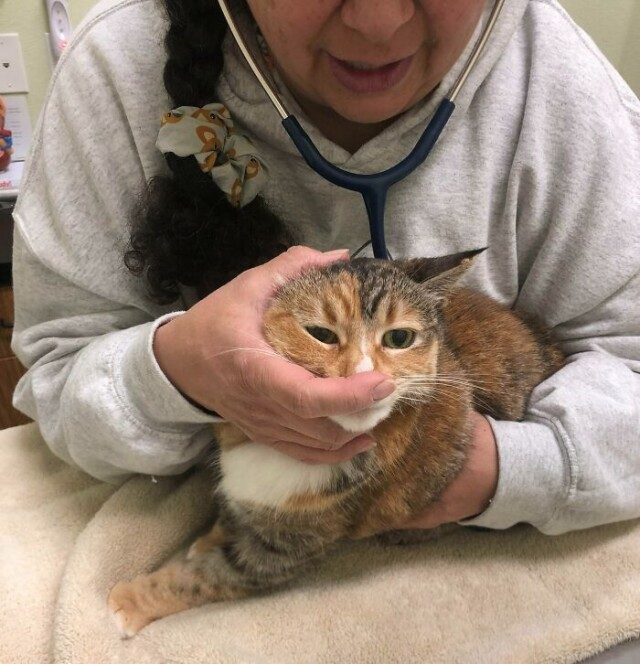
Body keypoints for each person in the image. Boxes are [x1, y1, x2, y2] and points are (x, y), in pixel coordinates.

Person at [10, 0, 640, 537]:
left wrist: (496, 469)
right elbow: (58, 383)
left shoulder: (559, 79)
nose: (378, 24)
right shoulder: (117, 63)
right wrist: (176, 374)